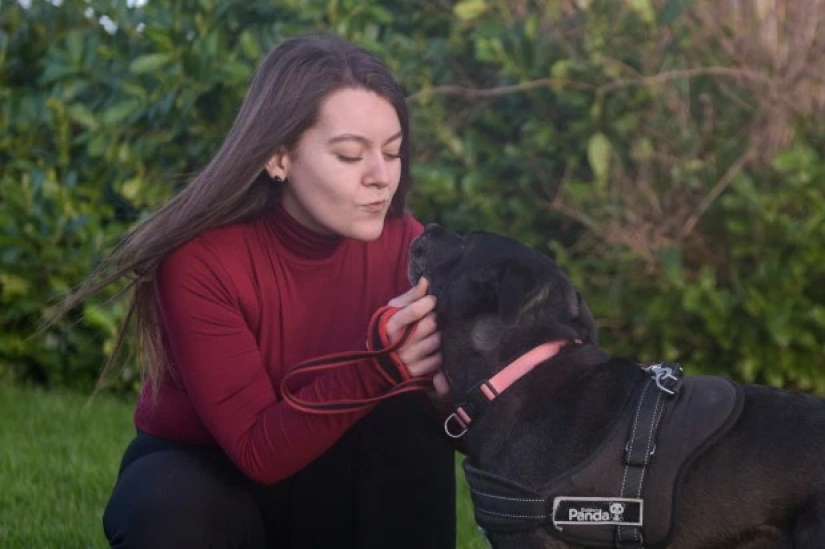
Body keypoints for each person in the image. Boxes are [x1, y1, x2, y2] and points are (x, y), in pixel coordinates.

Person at [66, 32, 457, 548]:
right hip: (210, 475)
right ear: (279, 157)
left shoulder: (405, 244)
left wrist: (452, 388)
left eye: (393, 152)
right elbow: (256, 450)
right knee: (169, 506)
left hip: (332, 469)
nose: (381, 178)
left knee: (410, 427)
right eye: (349, 156)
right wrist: (385, 366)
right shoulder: (201, 261)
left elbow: (445, 407)